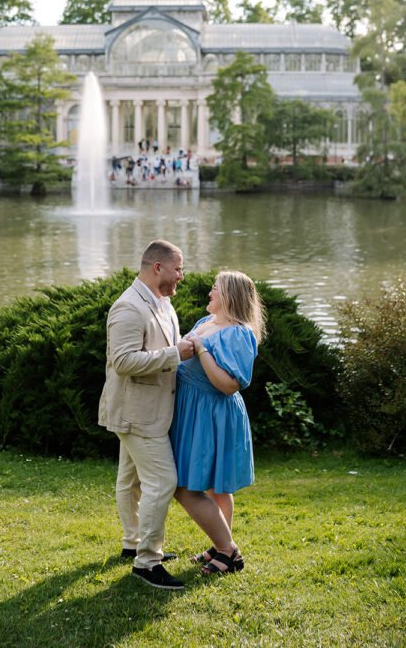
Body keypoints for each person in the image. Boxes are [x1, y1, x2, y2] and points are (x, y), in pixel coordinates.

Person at [98, 239, 195, 591]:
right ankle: (147, 561)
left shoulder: (164, 303)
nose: (181, 276)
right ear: (157, 268)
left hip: (152, 408)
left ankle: (131, 542)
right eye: (177, 269)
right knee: (162, 481)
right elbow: (122, 362)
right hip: (137, 411)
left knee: (131, 478)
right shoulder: (128, 307)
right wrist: (175, 354)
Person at [170, 270, 264, 575]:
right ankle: (221, 543)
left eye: (215, 288)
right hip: (192, 409)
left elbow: (228, 385)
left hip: (215, 413)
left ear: (229, 296)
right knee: (212, 487)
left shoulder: (239, 333)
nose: (210, 292)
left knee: (210, 486)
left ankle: (228, 551)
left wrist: (202, 350)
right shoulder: (204, 323)